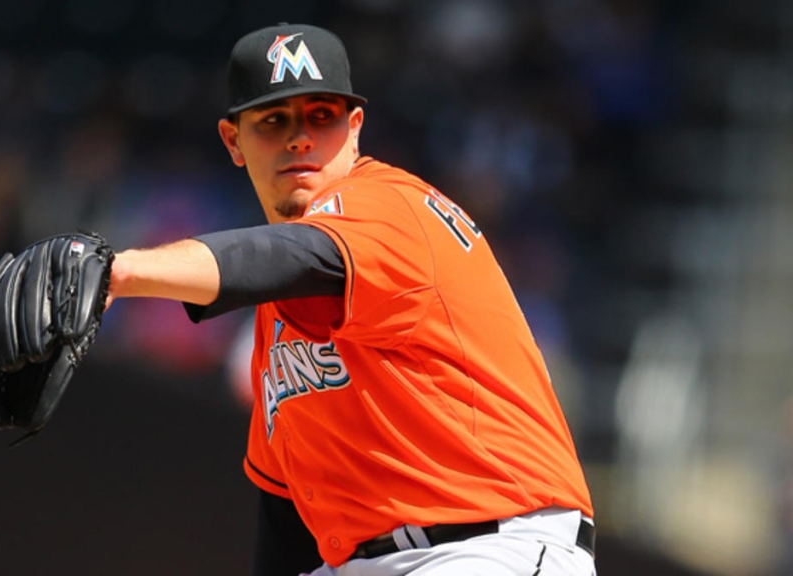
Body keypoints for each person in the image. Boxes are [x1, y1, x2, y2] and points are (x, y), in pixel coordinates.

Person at [104, 23, 596, 576]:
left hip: (486, 547)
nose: (300, 139)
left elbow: (292, 255)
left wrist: (115, 272)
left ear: (354, 128)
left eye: (321, 116)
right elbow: (285, 519)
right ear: (232, 141)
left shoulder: (388, 206)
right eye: (273, 120)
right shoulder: (278, 316)